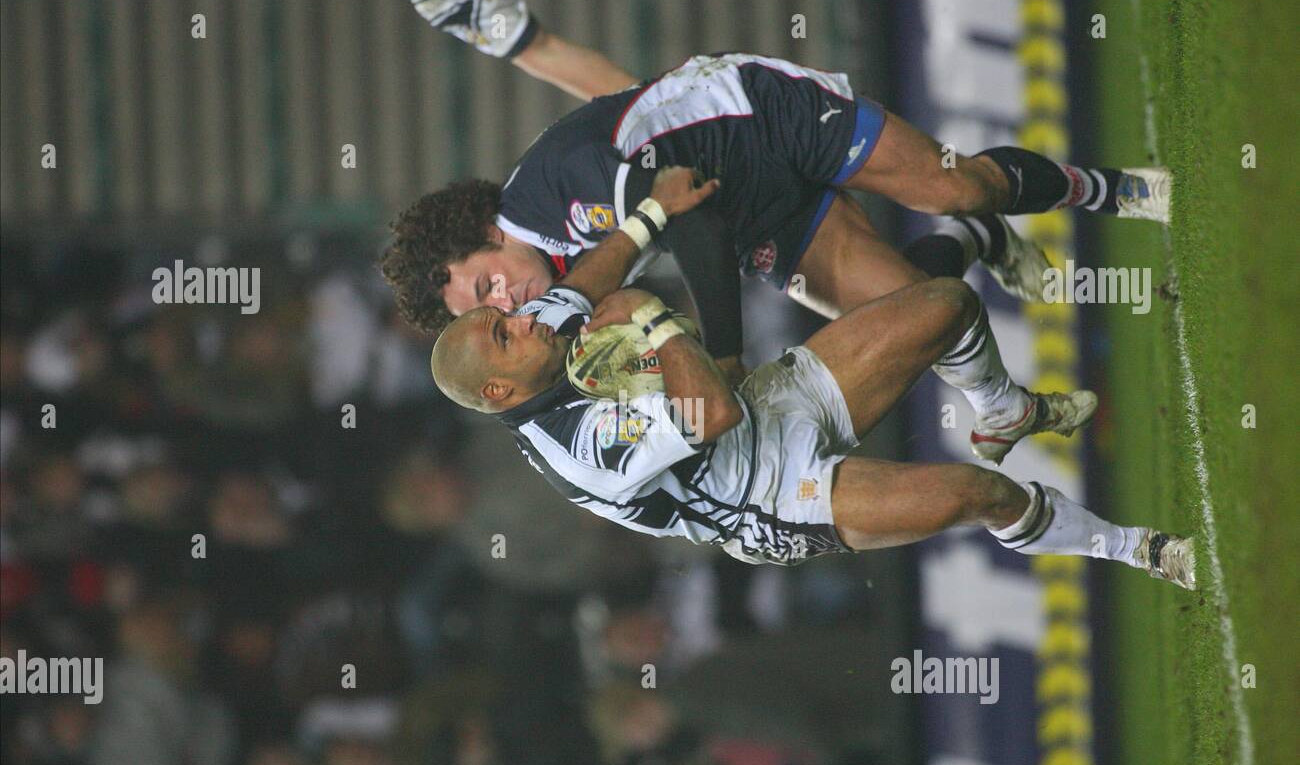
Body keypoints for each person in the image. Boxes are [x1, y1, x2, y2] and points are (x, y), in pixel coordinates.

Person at [388, 0, 1167, 461]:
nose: (509, 302)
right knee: (910, 314)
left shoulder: (555, 195)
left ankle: (1113, 190)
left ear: (486, 229)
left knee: (952, 187)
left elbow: (683, 221)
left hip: (761, 116)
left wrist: (721, 356)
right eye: (494, 310)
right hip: (749, 207)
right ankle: (1004, 398)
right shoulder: (551, 283)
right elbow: (620, 100)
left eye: (488, 285)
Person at [424, 170, 1195, 587]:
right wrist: (653, 319)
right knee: (978, 495)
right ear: (499, 391)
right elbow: (710, 414)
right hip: (762, 496)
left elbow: (587, 283)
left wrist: (647, 221)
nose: (522, 316)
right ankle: (1141, 550)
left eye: (508, 315)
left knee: (945, 305)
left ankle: (1004, 413)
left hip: (768, 406)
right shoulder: (574, 447)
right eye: (504, 333)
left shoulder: (542, 337)